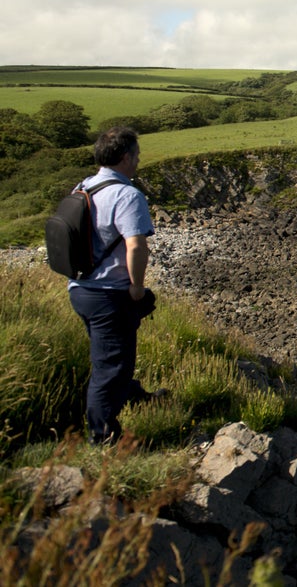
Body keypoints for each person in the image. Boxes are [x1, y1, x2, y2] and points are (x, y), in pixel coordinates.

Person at [67, 125, 161, 445]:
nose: (138, 160)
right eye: (136, 155)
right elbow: (136, 245)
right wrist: (137, 286)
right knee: (111, 367)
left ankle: (132, 396)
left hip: (80, 289)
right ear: (125, 157)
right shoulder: (127, 194)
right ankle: (102, 438)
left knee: (107, 357)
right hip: (109, 294)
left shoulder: (84, 186)